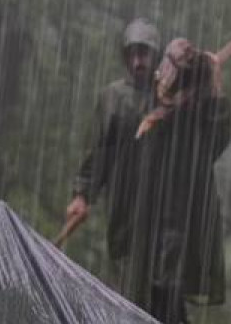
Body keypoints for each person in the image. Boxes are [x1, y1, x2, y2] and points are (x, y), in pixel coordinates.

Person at [123, 36, 231, 324]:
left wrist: (213, 80)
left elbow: (218, 137)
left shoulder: (195, 119)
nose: (160, 73)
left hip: (176, 222)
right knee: (150, 285)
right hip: (151, 216)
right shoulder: (151, 106)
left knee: (166, 284)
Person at [67, 19, 161, 286]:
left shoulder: (170, 96)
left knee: (164, 281)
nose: (138, 62)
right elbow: (98, 149)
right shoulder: (113, 96)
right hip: (125, 203)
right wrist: (82, 194)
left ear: (155, 55)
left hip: (164, 207)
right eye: (133, 54)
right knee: (127, 274)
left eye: (143, 54)